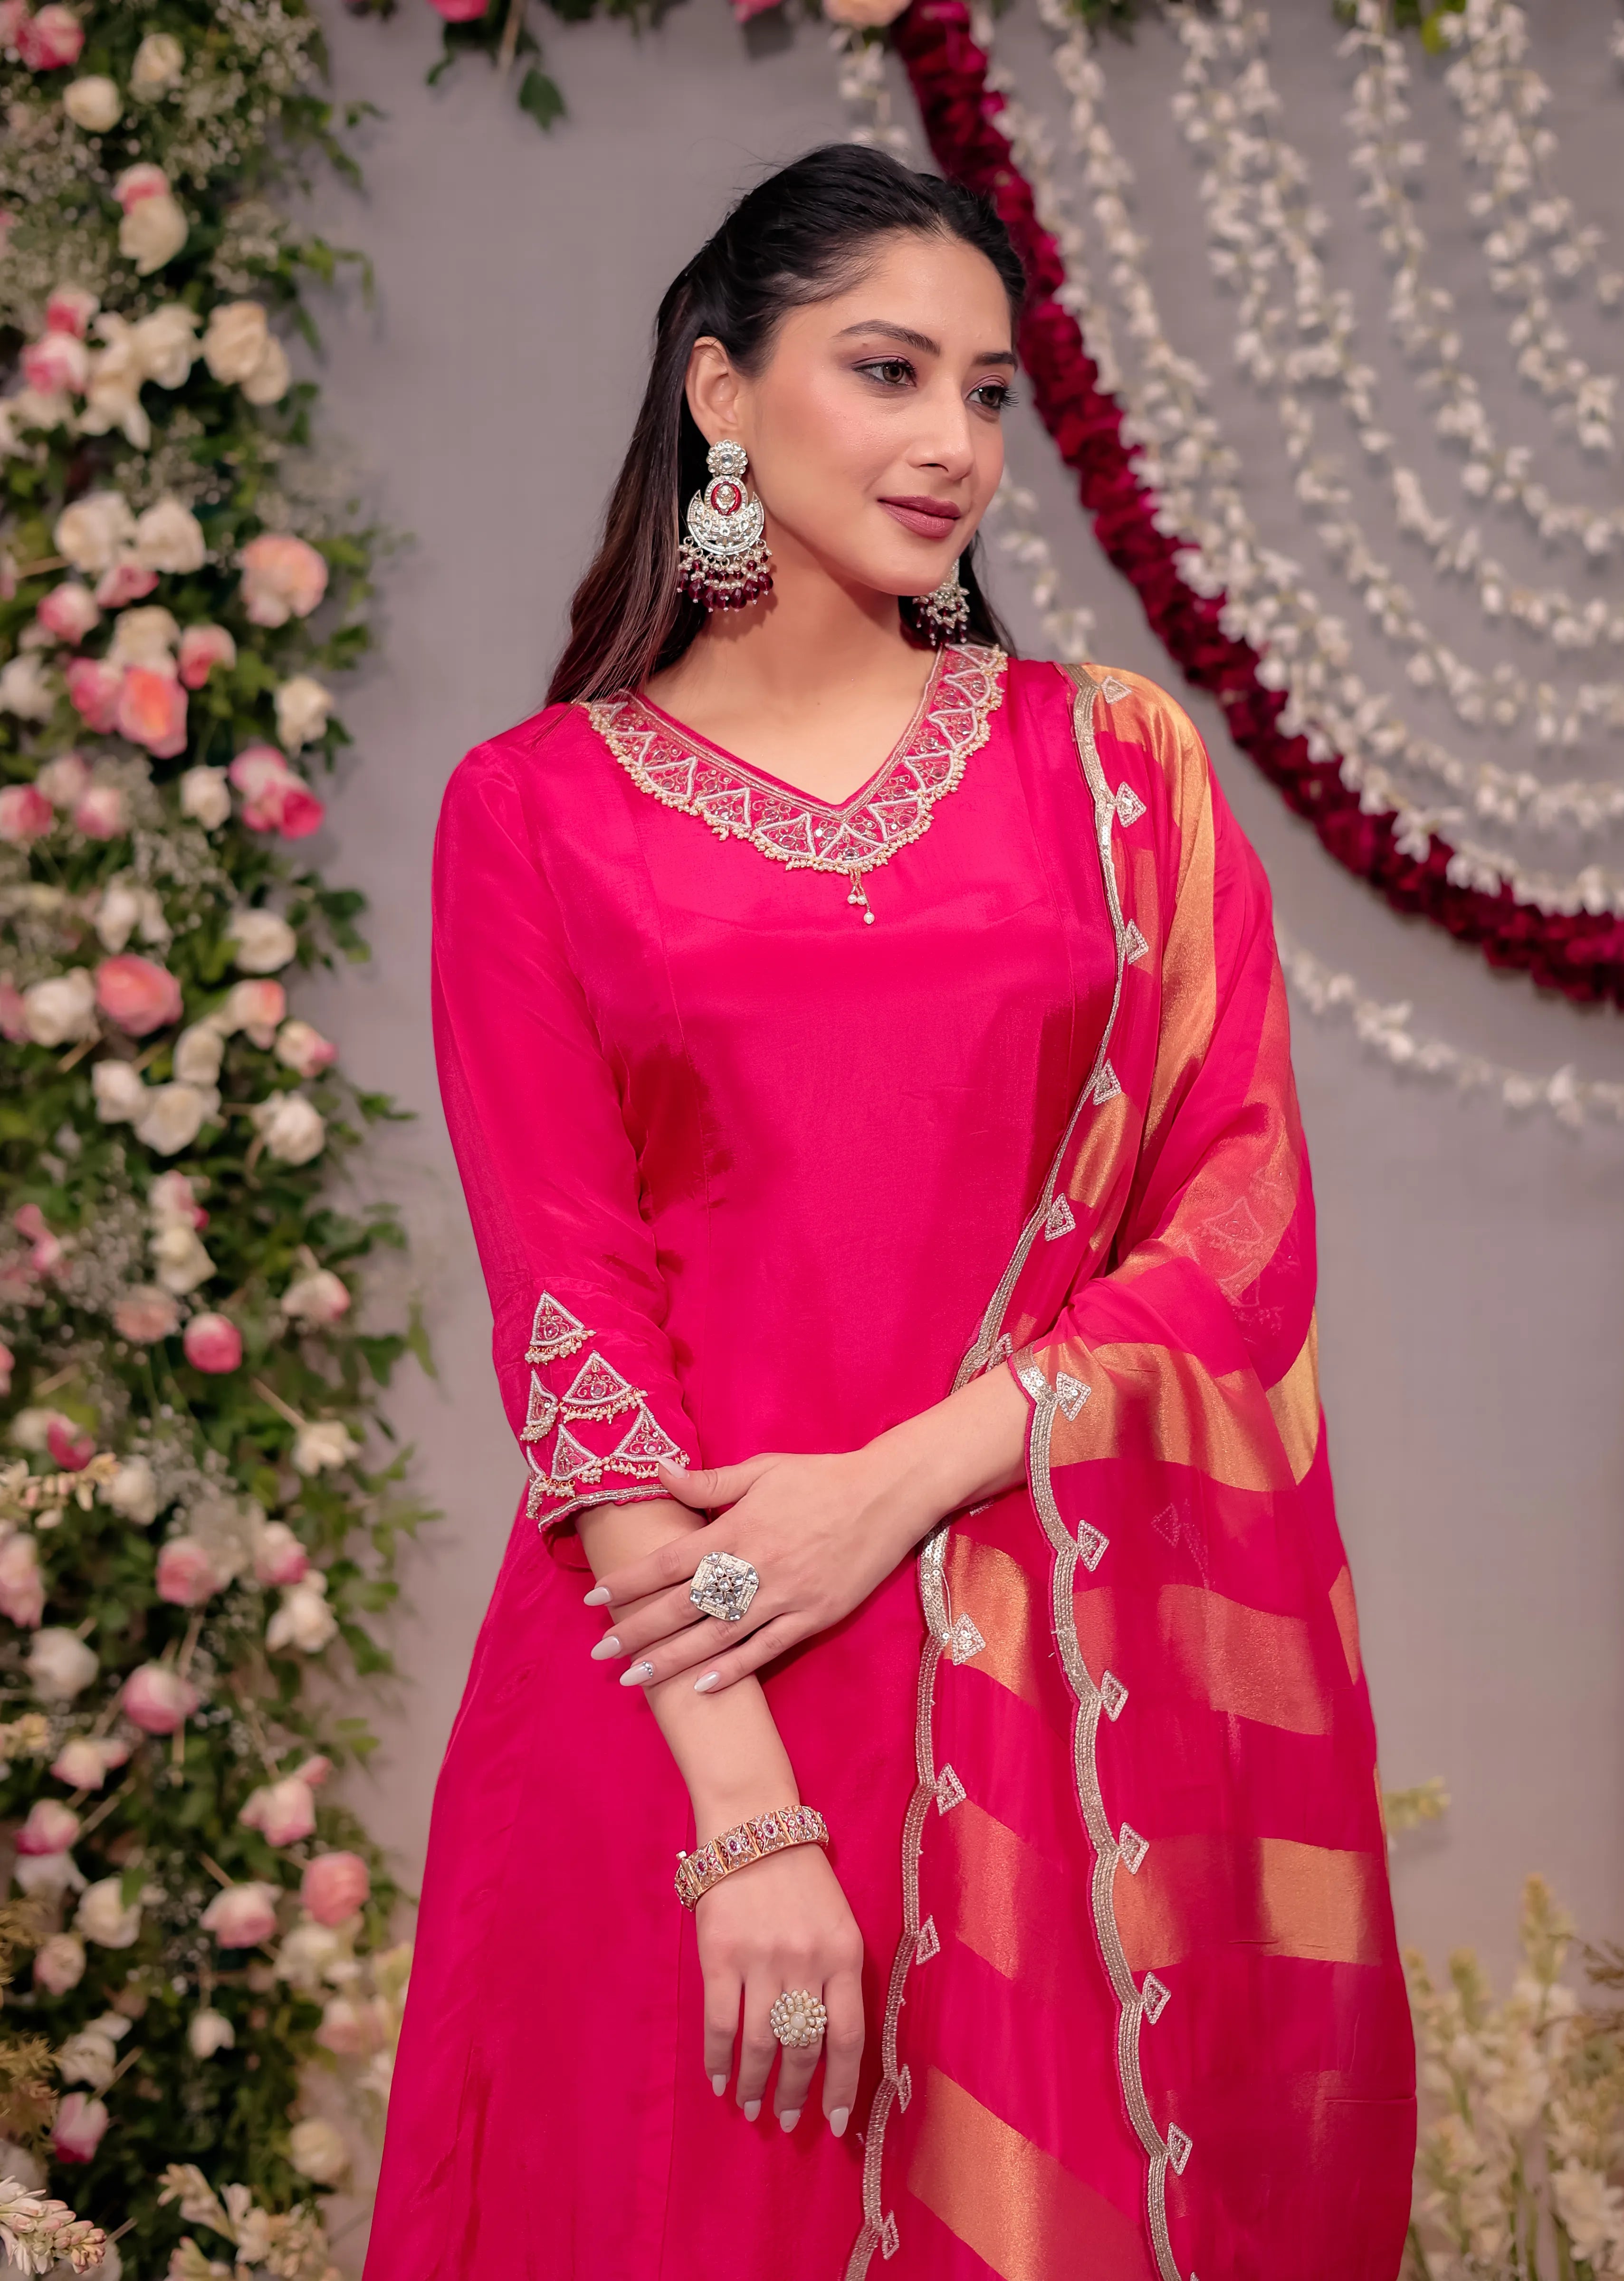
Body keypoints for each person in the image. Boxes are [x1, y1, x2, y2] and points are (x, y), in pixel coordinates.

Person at [364, 142, 1414, 2281]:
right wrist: (743, 1819)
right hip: (681, 1701)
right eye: (886, 370)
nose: (954, 442)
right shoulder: (534, 812)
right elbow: (573, 1320)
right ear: (721, 393)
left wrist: (891, 1489)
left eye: (992, 391)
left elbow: (1230, 1221)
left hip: (1057, 1688)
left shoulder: (1112, 772)